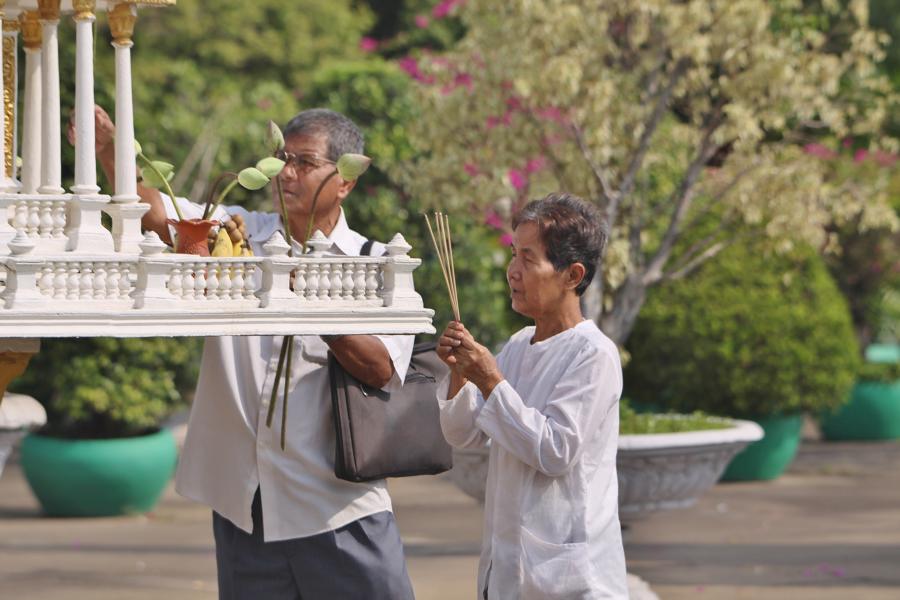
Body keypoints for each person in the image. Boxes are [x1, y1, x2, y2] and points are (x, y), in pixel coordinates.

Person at [76, 106, 417, 599]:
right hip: (246, 504)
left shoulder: (376, 262)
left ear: (344, 181)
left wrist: (311, 303)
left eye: (304, 161)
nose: (288, 173)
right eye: (282, 158)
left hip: (338, 505)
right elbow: (157, 217)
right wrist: (108, 151)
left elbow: (381, 368)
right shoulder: (238, 234)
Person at [437, 192, 628, 599]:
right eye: (513, 254)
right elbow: (463, 436)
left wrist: (489, 380)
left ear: (572, 275)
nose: (513, 271)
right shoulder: (519, 345)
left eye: (528, 258)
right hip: (506, 570)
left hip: (572, 580)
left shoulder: (594, 355)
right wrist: (459, 375)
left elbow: (555, 451)